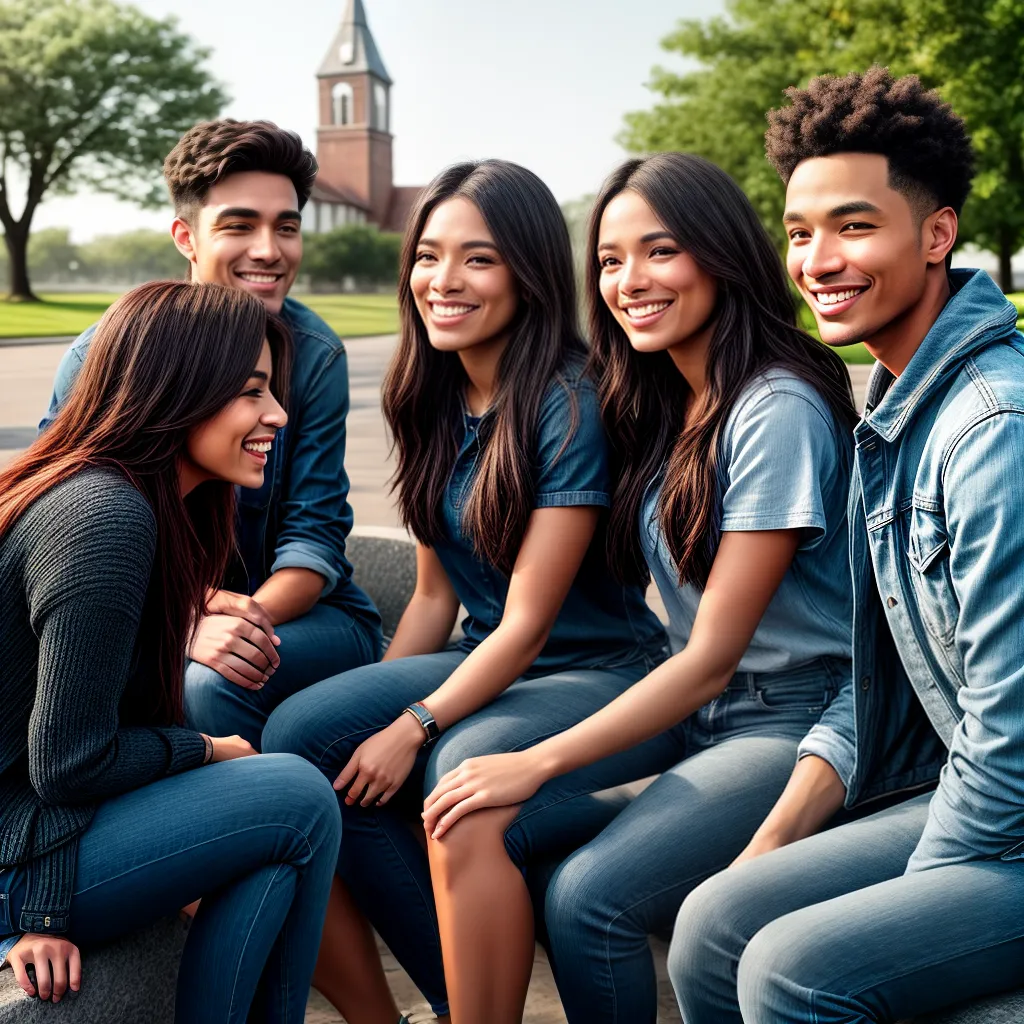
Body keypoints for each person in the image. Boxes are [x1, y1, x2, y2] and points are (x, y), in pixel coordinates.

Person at [419, 152, 858, 1023]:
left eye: (660, 251)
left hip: (794, 719)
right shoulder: (666, 401)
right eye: (611, 261)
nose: (630, 282)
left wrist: (538, 759)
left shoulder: (775, 407)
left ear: (721, 254)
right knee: (468, 816)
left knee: (590, 898)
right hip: (705, 715)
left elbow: (710, 657)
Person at [260, 159, 668, 1024]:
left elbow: (526, 625)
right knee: (306, 738)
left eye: (478, 259)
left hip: (596, 668)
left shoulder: (569, 403)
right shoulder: (430, 396)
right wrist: (368, 721)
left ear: (528, 273)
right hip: (487, 657)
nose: (443, 281)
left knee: (449, 768)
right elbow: (433, 600)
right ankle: (450, 999)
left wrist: (411, 725)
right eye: (429, 256)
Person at [670, 67, 1024, 1024]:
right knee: (715, 920)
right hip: (967, 783)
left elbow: (1012, 735)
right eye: (799, 233)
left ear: (937, 235)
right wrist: (774, 841)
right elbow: (889, 673)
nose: (818, 261)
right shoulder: (896, 407)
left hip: (1007, 812)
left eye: (854, 227)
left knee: (791, 970)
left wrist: (920, 896)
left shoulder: (991, 428)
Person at [0, 281, 341, 1023]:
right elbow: (67, 764)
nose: (278, 415)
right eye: (251, 392)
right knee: (298, 794)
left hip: (32, 830)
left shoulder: (146, 503)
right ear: (177, 390)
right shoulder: (102, 517)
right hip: (13, 852)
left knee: (272, 856)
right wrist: (207, 750)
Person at [40, 119, 381, 749]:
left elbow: (312, 540)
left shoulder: (314, 356)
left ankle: (267, 803)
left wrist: (221, 623)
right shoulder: (102, 357)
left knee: (211, 678)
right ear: (186, 238)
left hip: (299, 614)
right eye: (239, 225)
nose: (269, 250)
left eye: (286, 227)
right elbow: (58, 524)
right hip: (145, 612)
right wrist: (180, 619)